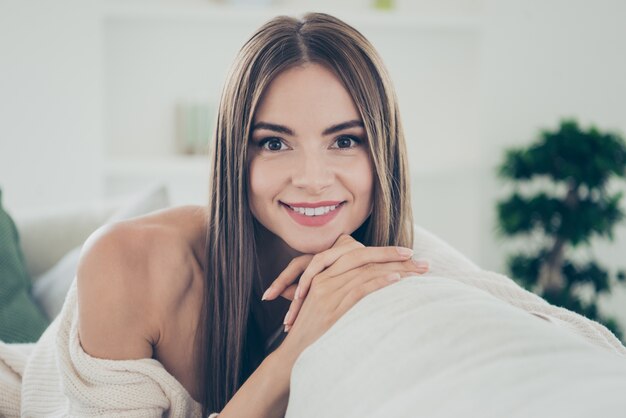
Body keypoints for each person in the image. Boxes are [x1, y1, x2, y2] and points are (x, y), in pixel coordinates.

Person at [76, 12, 430, 417]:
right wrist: (288, 359)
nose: (312, 180)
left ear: (384, 153)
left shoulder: (394, 261)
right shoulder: (124, 260)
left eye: (344, 140)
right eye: (275, 143)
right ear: (234, 156)